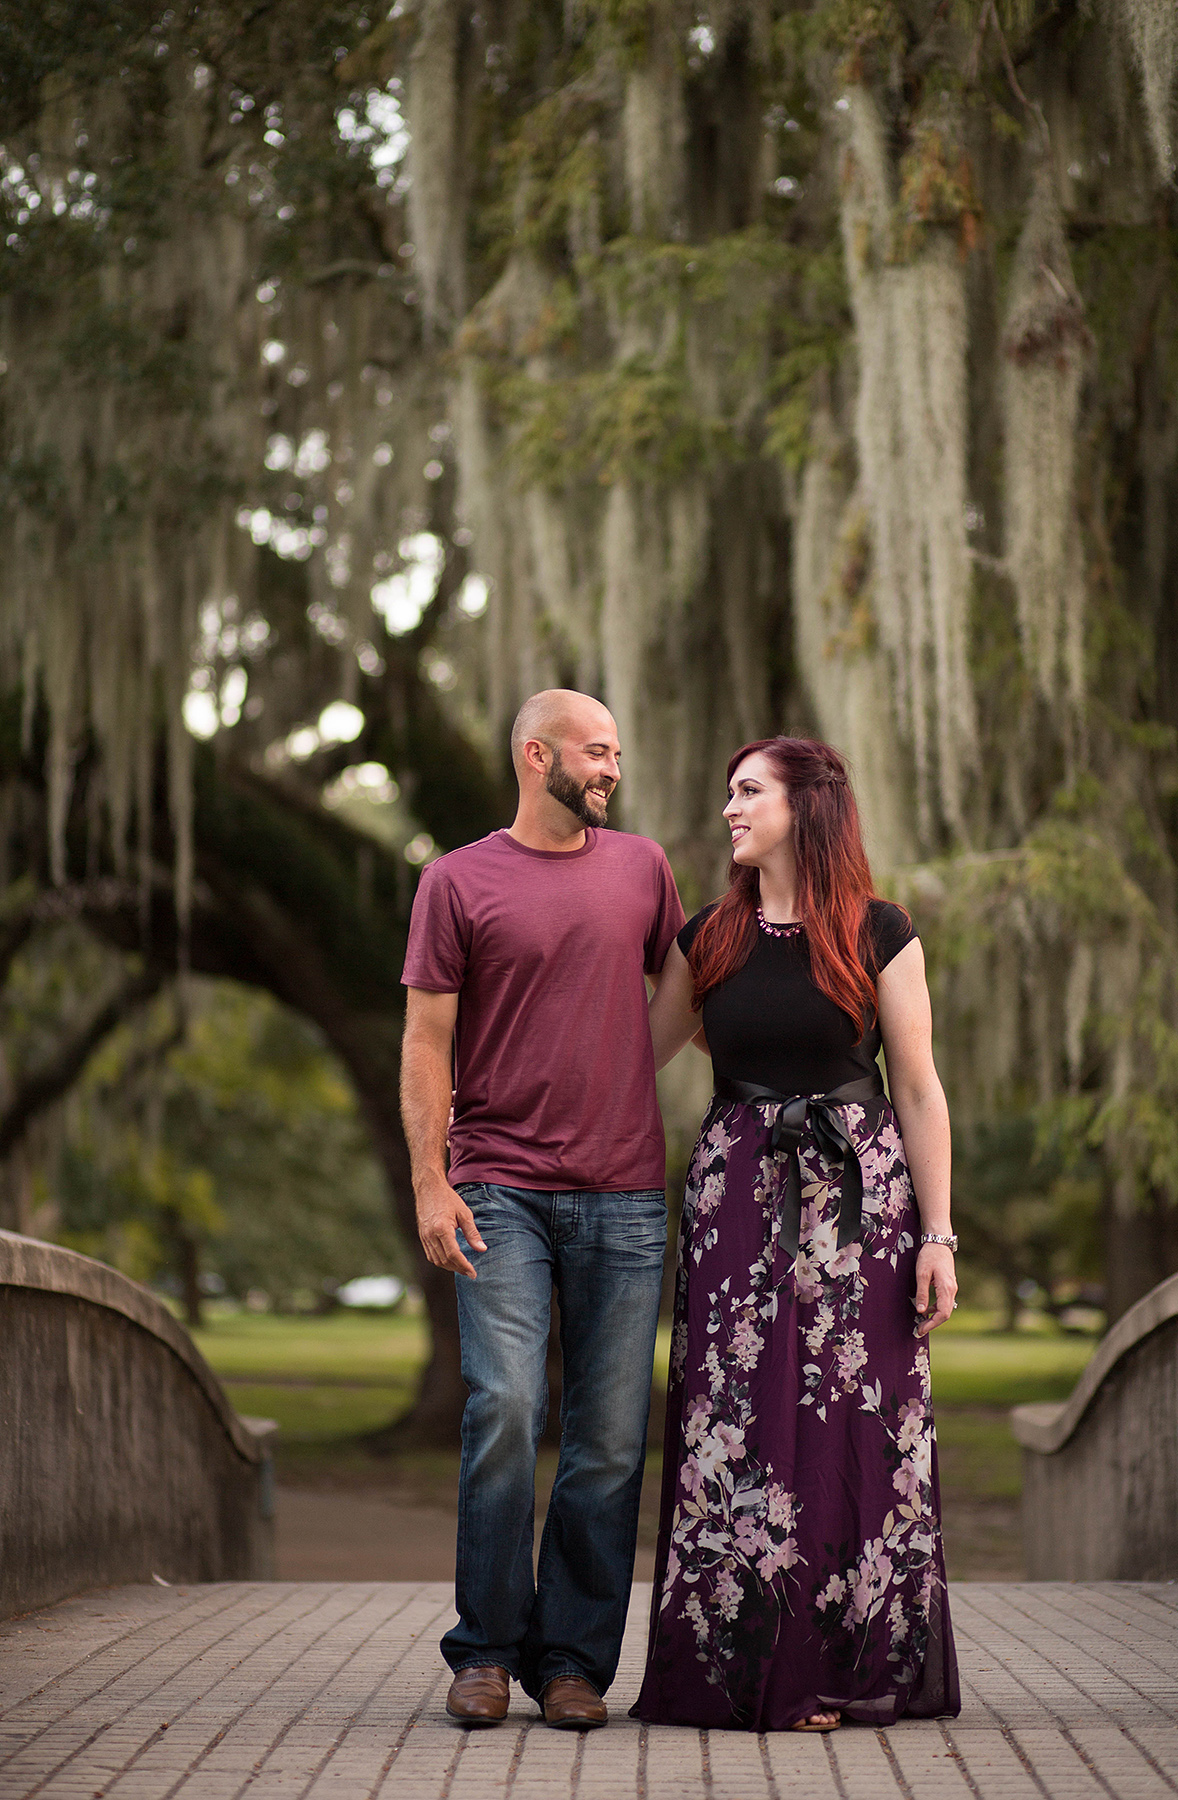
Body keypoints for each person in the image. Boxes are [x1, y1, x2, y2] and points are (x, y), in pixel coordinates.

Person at [633, 736, 961, 1733]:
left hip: (860, 1194)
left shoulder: (879, 929)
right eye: (729, 790)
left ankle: (841, 1664)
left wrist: (940, 1234)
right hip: (736, 1194)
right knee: (733, 1420)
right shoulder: (710, 937)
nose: (729, 808)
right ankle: (746, 1661)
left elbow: (916, 1084)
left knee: (855, 1421)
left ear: (806, 805)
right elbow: (636, 1056)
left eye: (747, 791)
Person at [401, 689, 684, 1732]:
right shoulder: (455, 881)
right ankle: (482, 1651)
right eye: (596, 751)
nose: (611, 768)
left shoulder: (645, 868)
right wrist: (432, 1180)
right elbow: (426, 1042)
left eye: (615, 751)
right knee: (508, 1410)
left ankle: (570, 1662)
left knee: (609, 1439)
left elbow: (693, 992)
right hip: (498, 1185)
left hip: (623, 1190)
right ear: (537, 755)